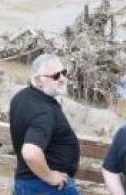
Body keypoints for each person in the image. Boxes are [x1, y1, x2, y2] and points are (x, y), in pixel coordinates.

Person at [9, 53, 81, 194]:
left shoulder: (21, 97)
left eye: (63, 73)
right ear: (38, 80)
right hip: (46, 187)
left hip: (25, 183)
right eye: (55, 76)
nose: (62, 79)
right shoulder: (44, 112)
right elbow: (30, 152)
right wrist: (50, 177)